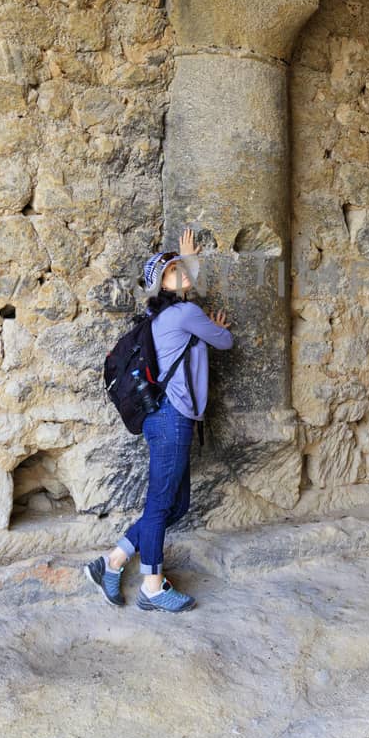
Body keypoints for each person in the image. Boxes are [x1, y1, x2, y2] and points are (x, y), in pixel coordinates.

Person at [85, 229, 232, 612]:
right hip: (172, 418)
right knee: (159, 503)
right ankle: (152, 585)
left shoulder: (164, 318)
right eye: (171, 270)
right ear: (161, 286)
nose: (181, 271)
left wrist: (186, 261)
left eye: (179, 267)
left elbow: (189, 307)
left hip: (161, 417)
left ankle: (113, 562)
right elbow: (225, 341)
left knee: (175, 505)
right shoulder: (185, 313)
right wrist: (215, 329)